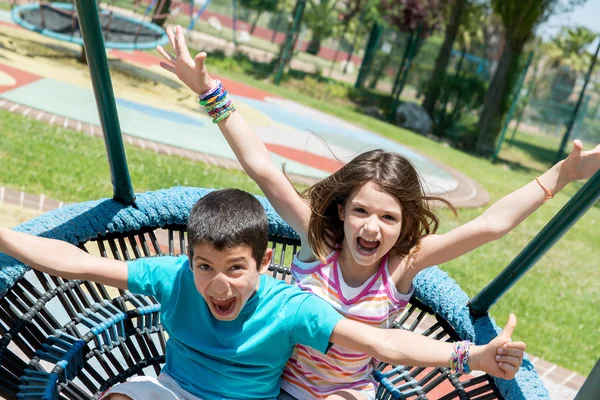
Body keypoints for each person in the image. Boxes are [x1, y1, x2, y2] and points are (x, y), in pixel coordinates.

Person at [155, 25, 600, 400]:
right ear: (342, 210)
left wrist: (558, 177)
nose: (371, 227)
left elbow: (491, 225)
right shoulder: (318, 240)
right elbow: (263, 168)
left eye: (388, 218)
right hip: (280, 388)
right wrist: (210, 92)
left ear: (405, 224)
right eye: (361, 211)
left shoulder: (403, 265)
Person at [1, 188, 524, 400]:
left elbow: (382, 345)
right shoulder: (173, 277)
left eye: (235, 269)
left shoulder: (289, 307)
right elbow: (76, 261)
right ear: (189, 260)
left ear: (263, 263)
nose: (218, 285)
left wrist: (472, 356)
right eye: (205, 267)